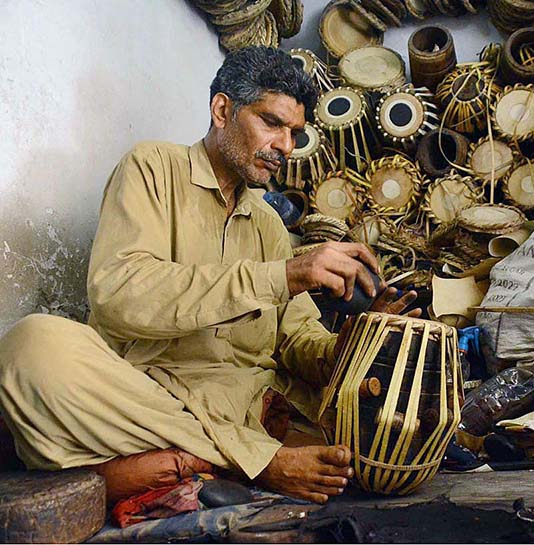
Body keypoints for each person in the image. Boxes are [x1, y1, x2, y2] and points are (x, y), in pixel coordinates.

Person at [0, 46, 418, 504]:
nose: (286, 146)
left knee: (396, 431)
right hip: (152, 402)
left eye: (295, 132)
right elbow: (118, 295)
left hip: (249, 411)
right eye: (272, 123)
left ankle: (197, 462)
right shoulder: (151, 168)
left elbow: (298, 343)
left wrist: (357, 341)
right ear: (222, 110)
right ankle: (254, 463)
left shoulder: (269, 225)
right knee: (31, 348)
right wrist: (280, 275)